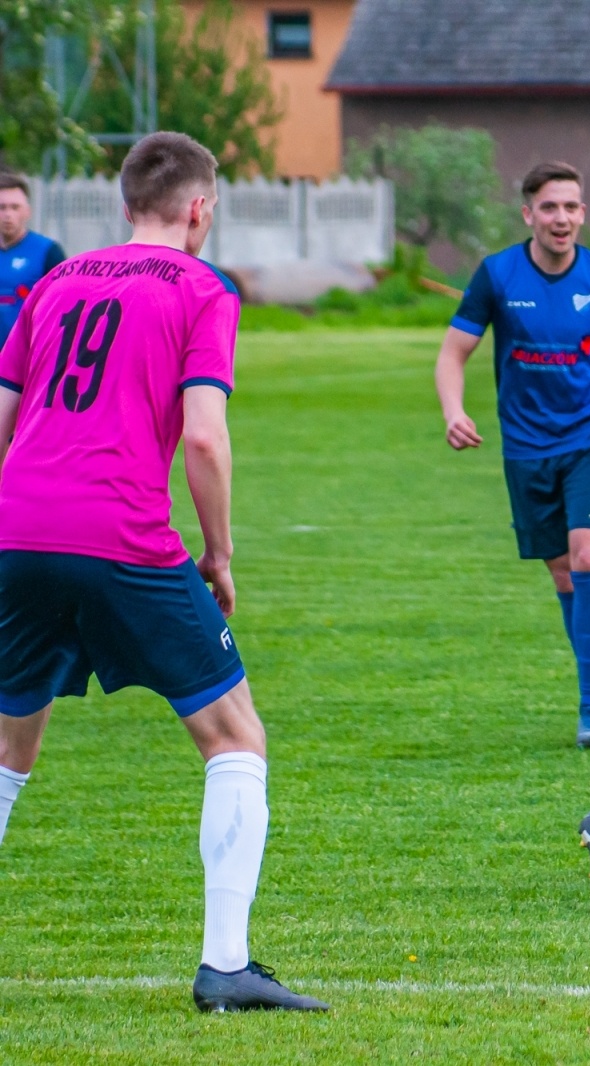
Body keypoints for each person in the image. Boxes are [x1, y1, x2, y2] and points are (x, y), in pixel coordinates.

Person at [0, 132, 325, 1010]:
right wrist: (217, 553)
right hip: (122, 534)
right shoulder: (201, 287)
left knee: (7, 750)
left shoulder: (55, 281)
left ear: (124, 204)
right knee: (235, 737)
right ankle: (226, 966)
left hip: (20, 530)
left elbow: (4, 415)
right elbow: (205, 439)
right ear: (200, 208)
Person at [436, 162, 590, 748]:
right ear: (529, 214)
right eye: (550, 207)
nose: (562, 218)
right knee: (565, 572)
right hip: (527, 448)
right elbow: (453, 353)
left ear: (583, 214)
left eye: (571, 207)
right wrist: (453, 411)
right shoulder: (497, 275)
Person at [0, 173, 66, 344]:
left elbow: (62, 307)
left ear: (27, 211)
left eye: (15, 207)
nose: (8, 214)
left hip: (26, 355)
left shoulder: (48, 252)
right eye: (2, 207)